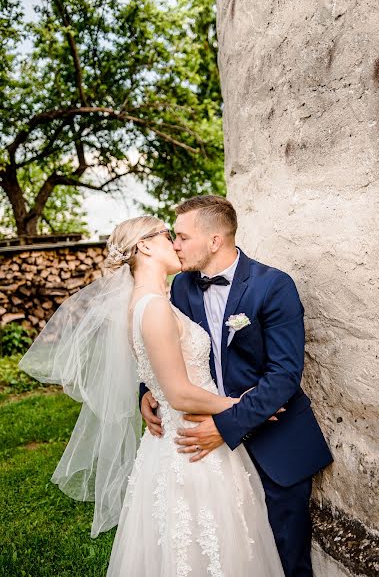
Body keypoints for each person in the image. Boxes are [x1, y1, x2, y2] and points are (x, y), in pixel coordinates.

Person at [19, 214, 285, 577]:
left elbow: (159, 379)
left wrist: (149, 392)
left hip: (173, 441)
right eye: (167, 235)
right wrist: (244, 407)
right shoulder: (155, 307)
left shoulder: (146, 303)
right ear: (144, 245)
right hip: (191, 444)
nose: (175, 244)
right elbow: (177, 393)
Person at [140, 195, 334, 577]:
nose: (174, 245)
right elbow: (169, 349)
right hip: (209, 457)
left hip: (275, 441)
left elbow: (283, 377)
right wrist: (146, 390)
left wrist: (225, 426)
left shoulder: (273, 286)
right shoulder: (180, 287)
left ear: (214, 240)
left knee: (285, 556)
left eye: (181, 236)